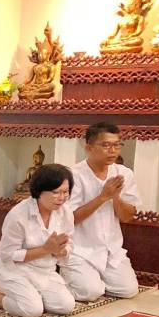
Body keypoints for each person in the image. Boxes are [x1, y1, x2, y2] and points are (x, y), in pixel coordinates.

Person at [61, 122, 141, 300]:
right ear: (88, 148)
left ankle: (92, 279)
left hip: (111, 250)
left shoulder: (123, 173)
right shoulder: (73, 175)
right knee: (90, 292)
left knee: (128, 290)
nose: (113, 151)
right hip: (79, 249)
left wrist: (115, 197)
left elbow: (127, 217)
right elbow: (69, 219)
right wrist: (102, 197)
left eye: (117, 145)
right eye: (106, 145)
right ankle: (69, 279)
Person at [0, 163, 77, 317]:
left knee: (66, 306)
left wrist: (60, 251)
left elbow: (69, 244)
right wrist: (45, 250)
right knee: (32, 310)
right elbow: (8, 255)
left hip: (44, 270)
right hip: (13, 269)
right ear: (39, 191)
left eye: (65, 192)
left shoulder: (66, 212)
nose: (62, 198)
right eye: (56, 192)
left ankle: (32, 294)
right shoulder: (18, 215)